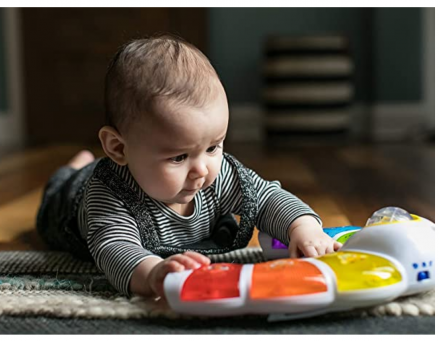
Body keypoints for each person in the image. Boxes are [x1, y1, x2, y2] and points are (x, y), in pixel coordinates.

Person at [36, 34, 342, 299]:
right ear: (118, 147)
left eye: (212, 147)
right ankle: (74, 168)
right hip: (69, 202)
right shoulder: (108, 197)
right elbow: (115, 251)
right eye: (178, 157)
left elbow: (266, 198)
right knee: (61, 186)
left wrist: (303, 227)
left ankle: (82, 164)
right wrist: (155, 274)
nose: (201, 170)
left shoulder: (214, 173)